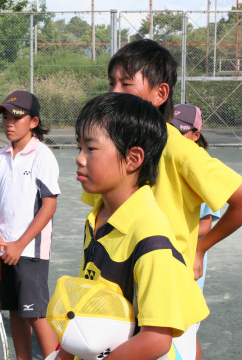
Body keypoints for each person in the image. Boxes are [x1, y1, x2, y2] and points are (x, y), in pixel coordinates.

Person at [83, 39, 242, 360]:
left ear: (160, 94)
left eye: (126, 83)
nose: (114, 91)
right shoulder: (111, 151)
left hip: (164, 298)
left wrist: (201, 246)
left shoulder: (181, 150)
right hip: (122, 300)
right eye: (111, 83)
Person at [54, 92, 209, 360]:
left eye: (91, 148)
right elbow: (87, 304)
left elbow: (156, 339)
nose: (79, 158)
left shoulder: (151, 235)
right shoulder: (97, 217)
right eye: (79, 148)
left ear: (133, 158)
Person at [0, 90, 60, 359]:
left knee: (37, 314)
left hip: (31, 253)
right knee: (15, 310)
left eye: (16, 117)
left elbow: (49, 204)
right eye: (4, 117)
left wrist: (20, 244)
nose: (8, 123)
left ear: (34, 122)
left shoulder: (43, 155)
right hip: (3, 251)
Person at [172, 103, 222, 359]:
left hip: (188, 261)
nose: (176, 136)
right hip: (162, 258)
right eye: (171, 129)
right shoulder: (166, 162)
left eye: (182, 131)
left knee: (184, 329)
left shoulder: (200, 168)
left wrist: (197, 248)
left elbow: (207, 223)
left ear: (195, 134)